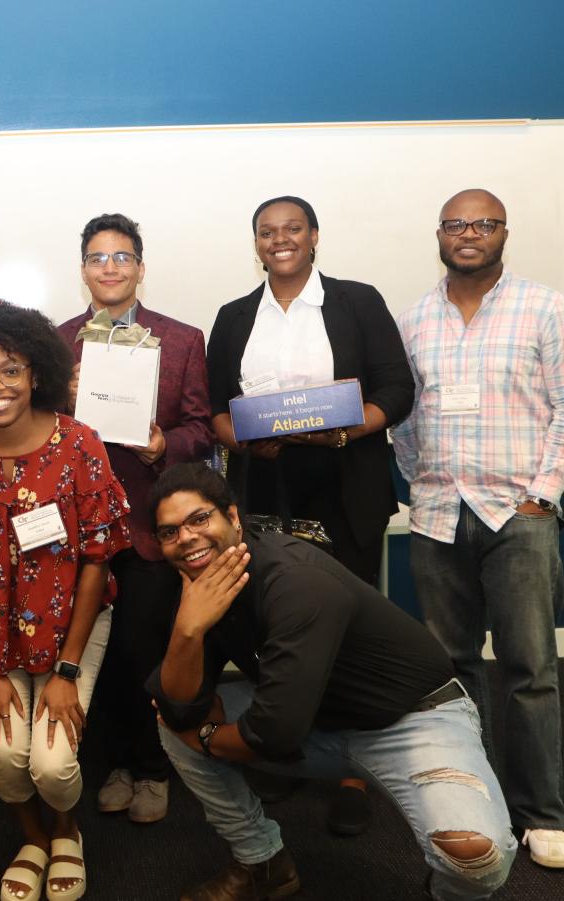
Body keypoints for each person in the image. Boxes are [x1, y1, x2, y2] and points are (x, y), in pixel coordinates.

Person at [149, 463, 515, 901]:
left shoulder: (296, 582)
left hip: (412, 722)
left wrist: (207, 737)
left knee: (476, 858)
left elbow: (274, 734)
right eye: (169, 532)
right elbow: (174, 705)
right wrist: (187, 631)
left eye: (198, 518)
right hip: (317, 718)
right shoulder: (201, 584)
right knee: (171, 726)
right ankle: (263, 864)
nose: (185, 538)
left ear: (232, 516)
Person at [204, 195, 414, 835]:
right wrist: (244, 441)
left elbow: (394, 391)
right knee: (277, 624)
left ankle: (353, 770)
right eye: (267, 232)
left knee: (347, 631)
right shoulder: (234, 315)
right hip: (267, 490)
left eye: (292, 228)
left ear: (314, 235)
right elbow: (216, 408)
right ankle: (285, 745)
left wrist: (345, 435)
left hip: (344, 487)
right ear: (256, 244)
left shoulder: (358, 301)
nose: (280, 239)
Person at [0, 303, 132, 901]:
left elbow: (98, 557)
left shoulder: (79, 444)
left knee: (52, 765)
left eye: (10, 370)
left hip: (73, 628)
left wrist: (68, 670)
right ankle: (33, 838)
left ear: (36, 373)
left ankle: (65, 828)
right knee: (4, 759)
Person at [392, 188, 564, 869]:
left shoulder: (545, 307)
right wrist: (419, 479)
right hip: (436, 515)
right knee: (451, 668)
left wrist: (542, 495)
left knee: (530, 666)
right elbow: (404, 416)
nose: (470, 234)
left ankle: (543, 811)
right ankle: (479, 799)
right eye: (457, 224)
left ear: (503, 231)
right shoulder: (413, 320)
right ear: (439, 234)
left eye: (483, 223)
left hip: (516, 515)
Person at [59, 212, 213, 825]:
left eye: (121, 257)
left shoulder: (182, 339)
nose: (110, 268)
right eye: (98, 258)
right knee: (94, 650)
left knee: (142, 649)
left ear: (140, 267)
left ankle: (154, 767)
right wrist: (65, 404)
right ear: (83, 272)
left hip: (152, 526)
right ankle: (116, 762)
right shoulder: (59, 340)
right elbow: (38, 428)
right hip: (78, 529)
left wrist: (160, 447)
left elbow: (201, 429)